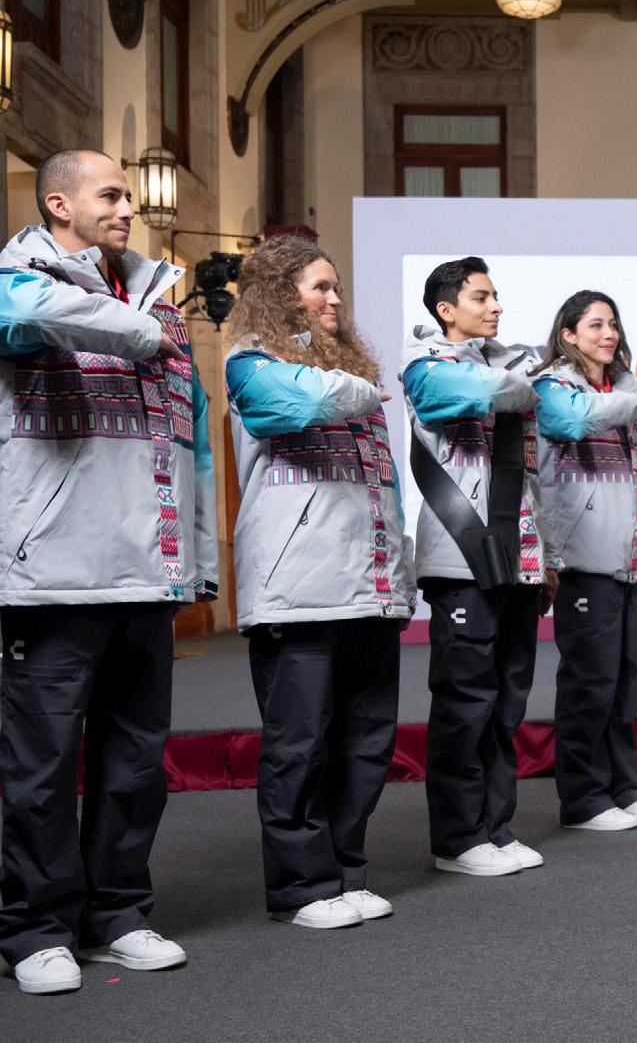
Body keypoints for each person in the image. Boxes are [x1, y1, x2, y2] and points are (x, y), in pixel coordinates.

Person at [0, 149, 217, 994]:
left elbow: (190, 442)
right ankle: (34, 930)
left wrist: (194, 560)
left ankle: (118, 914)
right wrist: (138, 328)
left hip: (145, 573)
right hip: (53, 575)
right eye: (111, 194)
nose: (128, 208)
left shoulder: (156, 295)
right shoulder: (20, 279)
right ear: (59, 203)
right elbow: (21, 314)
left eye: (129, 195)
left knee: (134, 764)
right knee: (41, 767)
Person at [224, 236, 415, 930]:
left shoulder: (349, 371)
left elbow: (384, 486)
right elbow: (290, 408)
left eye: (336, 288)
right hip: (296, 590)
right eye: (319, 287)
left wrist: (399, 571)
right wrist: (360, 385)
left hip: (370, 586)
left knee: (365, 741)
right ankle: (301, 888)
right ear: (282, 295)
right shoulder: (252, 362)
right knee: (298, 745)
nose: (335, 299)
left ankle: (345, 872)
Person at [400, 257, 553, 877]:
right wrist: (518, 382)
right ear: (446, 309)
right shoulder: (425, 364)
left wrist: (546, 557)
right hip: (460, 556)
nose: (495, 307)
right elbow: (462, 396)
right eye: (481, 297)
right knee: (465, 701)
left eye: (496, 297)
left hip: (517, 554)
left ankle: (495, 826)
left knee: (508, 699)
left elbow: (532, 476)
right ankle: (458, 838)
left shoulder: (506, 365)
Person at [531, 291, 637, 831]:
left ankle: (622, 789)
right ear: (568, 334)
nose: (608, 334)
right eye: (595, 325)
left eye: (612, 323)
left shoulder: (630, 389)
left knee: (628, 682)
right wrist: (635, 402)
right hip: (583, 562)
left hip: (634, 560)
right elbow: (570, 423)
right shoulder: (552, 387)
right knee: (589, 685)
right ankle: (584, 799)